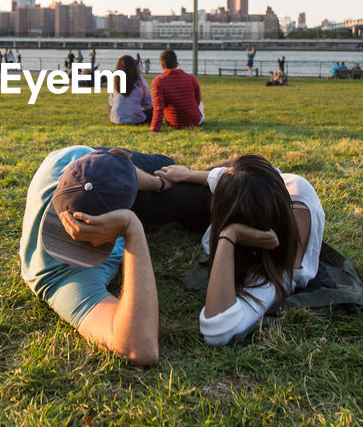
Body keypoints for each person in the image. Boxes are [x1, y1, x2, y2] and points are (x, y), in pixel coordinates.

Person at [156, 154, 325, 346]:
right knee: (168, 184)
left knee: (171, 202)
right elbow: (227, 176)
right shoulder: (263, 189)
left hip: (226, 216)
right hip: (230, 203)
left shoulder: (281, 266)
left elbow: (217, 331)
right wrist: (187, 174)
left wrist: (229, 236)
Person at [20, 146, 167, 364]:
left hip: (89, 152)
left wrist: (159, 184)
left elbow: (110, 169)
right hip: (76, 157)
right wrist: (133, 229)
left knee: (167, 166)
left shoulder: (80, 167)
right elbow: (140, 347)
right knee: (188, 199)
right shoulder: (57, 275)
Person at [150, 49, 203, 132]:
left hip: (174, 122)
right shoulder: (191, 78)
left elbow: (158, 107)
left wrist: (155, 129)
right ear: (177, 64)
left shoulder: (158, 81)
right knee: (201, 104)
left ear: (162, 66)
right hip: (194, 121)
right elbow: (198, 100)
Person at [108, 55, 152, 125]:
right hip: (137, 120)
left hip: (116, 120)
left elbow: (111, 102)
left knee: (110, 106)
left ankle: (115, 117)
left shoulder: (114, 81)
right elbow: (148, 103)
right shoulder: (140, 81)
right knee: (152, 110)